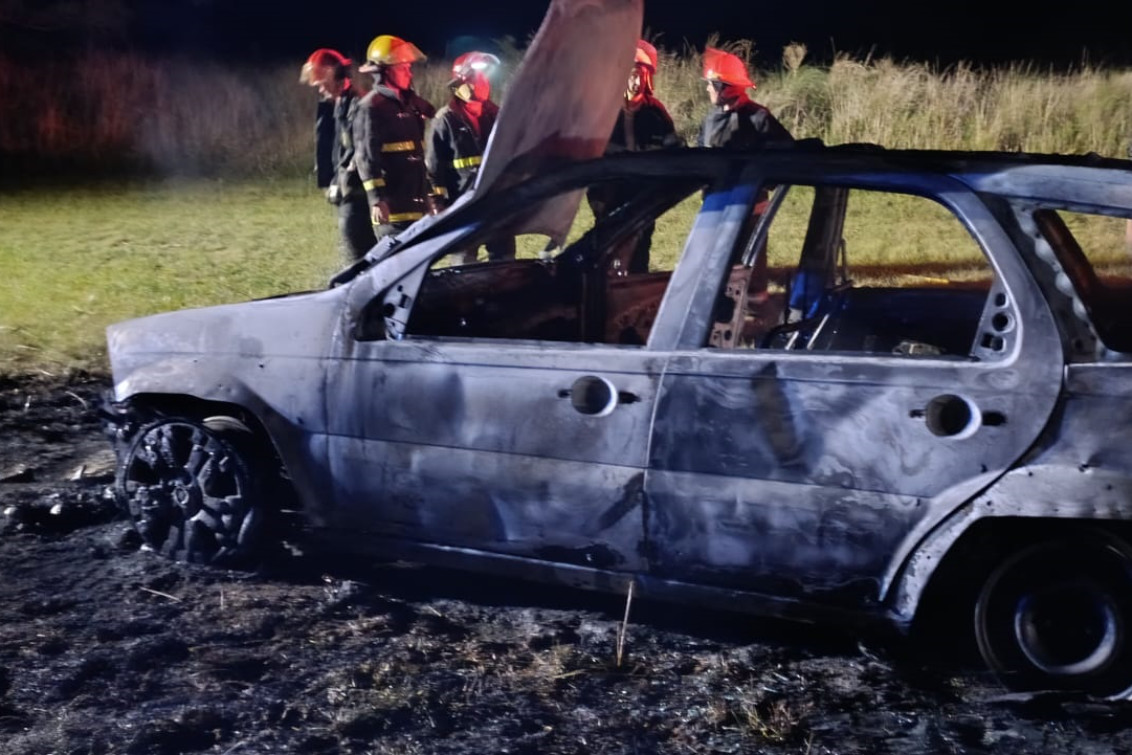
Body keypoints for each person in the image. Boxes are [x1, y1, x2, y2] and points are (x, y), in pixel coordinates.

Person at [588, 40, 680, 274]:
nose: (635, 81)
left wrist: (661, 193)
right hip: (610, 195)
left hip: (643, 196)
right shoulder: (604, 112)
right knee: (608, 250)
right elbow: (592, 158)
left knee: (640, 250)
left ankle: (635, 292)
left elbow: (673, 154)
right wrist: (597, 195)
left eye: (640, 75)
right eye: (630, 75)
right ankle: (607, 293)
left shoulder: (656, 113)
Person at [426, 51, 515, 262]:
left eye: (485, 77)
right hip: (462, 207)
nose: (484, 83)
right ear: (461, 83)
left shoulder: (497, 116)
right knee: (464, 266)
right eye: (477, 78)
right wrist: (439, 204)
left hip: (496, 203)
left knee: (505, 262)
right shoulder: (445, 120)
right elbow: (433, 169)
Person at [354, 35, 437, 243]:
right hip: (392, 211)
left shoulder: (409, 106)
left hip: (416, 206)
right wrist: (377, 199)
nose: (409, 72)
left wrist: (428, 195)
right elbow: (366, 158)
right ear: (385, 71)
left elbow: (417, 155)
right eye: (403, 68)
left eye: (409, 67)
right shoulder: (370, 107)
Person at [300, 48, 376, 264]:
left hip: (359, 194)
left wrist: (341, 181)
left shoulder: (356, 104)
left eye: (321, 82)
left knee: (359, 255)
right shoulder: (338, 104)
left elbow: (358, 149)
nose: (320, 88)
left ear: (333, 75)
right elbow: (336, 147)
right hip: (349, 192)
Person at [698, 47, 792, 150]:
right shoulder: (710, 120)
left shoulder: (758, 117)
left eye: (713, 84)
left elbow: (783, 154)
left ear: (731, 88)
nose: (708, 89)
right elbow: (703, 157)